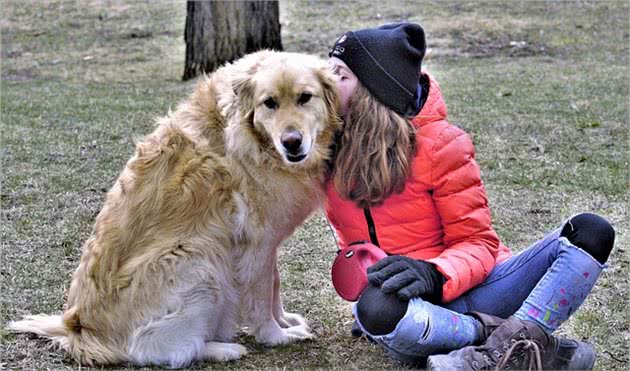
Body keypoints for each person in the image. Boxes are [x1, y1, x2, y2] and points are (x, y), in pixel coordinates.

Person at [325, 22, 615, 370]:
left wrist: (434, 274)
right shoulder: (322, 148)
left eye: (340, 75)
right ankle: (515, 346)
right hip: (412, 312)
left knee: (590, 232)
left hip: (479, 287)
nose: (325, 83)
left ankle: (504, 347)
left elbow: (478, 244)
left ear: (374, 90)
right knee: (376, 309)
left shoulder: (442, 144)